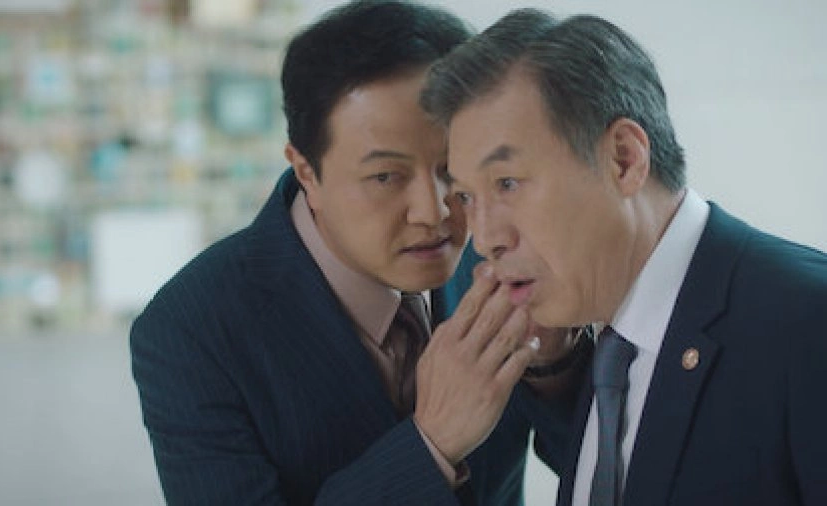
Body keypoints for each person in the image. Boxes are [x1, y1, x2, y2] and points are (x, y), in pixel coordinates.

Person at [130, 2, 588, 505]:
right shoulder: (190, 330)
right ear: (307, 172)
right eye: (386, 176)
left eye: (451, 168)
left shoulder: (496, 251)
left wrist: (555, 367)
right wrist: (431, 445)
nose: (435, 212)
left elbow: (614, 466)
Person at [421, 8, 827, 506]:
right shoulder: (604, 344)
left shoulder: (809, 321)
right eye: (466, 196)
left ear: (624, 159)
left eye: (507, 183)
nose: (485, 239)